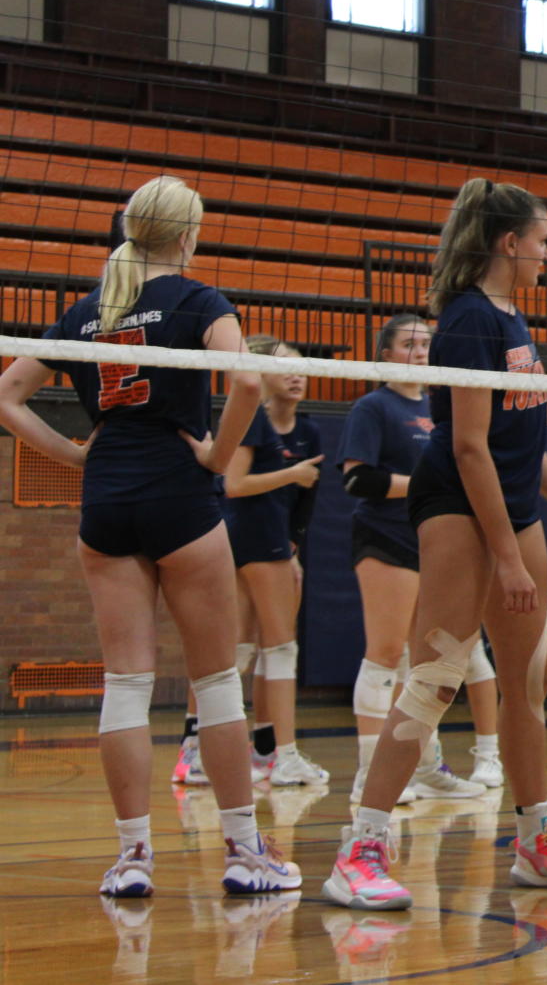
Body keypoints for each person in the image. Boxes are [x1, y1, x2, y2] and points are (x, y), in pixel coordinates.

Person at [325, 178, 547, 912]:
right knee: (436, 673)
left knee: (524, 681)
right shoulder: (468, 320)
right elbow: (468, 448)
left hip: (512, 506)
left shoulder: (512, 316)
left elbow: (520, 444)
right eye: (542, 239)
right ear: (509, 242)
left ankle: (537, 838)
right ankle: (362, 846)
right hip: (458, 506)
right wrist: (503, 555)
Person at [0, 174, 301, 896]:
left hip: (106, 501)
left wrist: (75, 454)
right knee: (218, 682)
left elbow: (6, 394)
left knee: (127, 686)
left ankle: (132, 858)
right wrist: (219, 458)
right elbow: (249, 383)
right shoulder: (199, 301)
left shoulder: (83, 312)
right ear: (188, 236)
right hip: (178, 491)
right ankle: (242, 852)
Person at [341, 314, 503, 802]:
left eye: (426, 344)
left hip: (435, 544)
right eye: (409, 344)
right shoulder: (374, 406)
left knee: (431, 661)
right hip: (386, 539)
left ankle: (426, 768)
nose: (420, 352)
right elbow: (357, 480)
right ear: (386, 353)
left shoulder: (445, 407)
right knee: (386, 655)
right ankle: (368, 773)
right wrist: (426, 487)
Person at [218, 334, 328, 787]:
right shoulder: (250, 420)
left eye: (300, 365)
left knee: (244, 648)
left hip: (272, 539)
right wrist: (293, 474)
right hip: (251, 536)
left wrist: (293, 548)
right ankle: (282, 756)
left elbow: (305, 500)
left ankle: (258, 750)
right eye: (284, 365)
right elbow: (233, 485)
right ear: (259, 371)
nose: (295, 374)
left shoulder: (307, 430)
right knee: (276, 648)